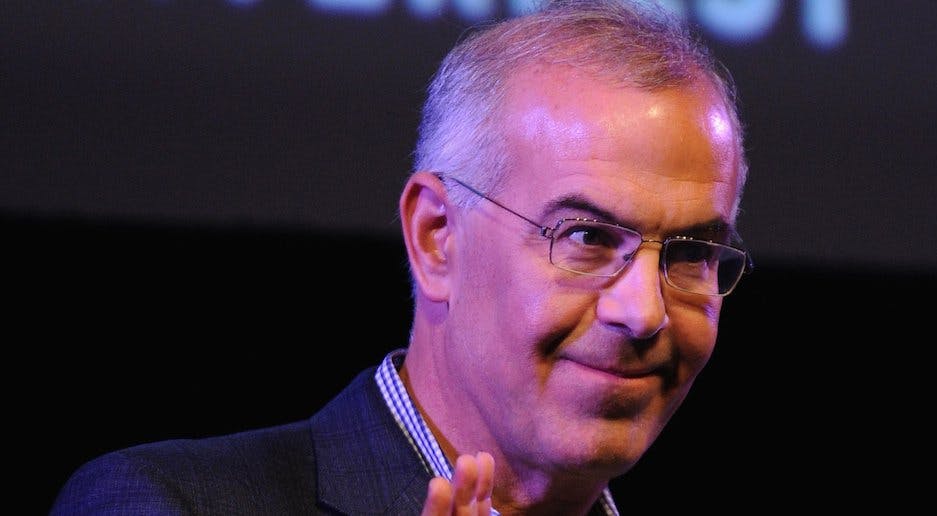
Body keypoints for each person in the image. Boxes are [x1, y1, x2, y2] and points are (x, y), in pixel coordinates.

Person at [51, 0, 751, 513]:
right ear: (436, 237)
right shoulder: (163, 503)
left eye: (691, 253)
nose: (644, 312)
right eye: (587, 238)